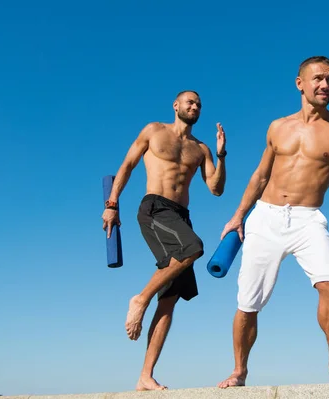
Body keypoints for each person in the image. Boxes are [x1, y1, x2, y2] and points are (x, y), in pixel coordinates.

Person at [217, 56, 329, 388]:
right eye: (318, 79)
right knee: (248, 301)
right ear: (300, 83)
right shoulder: (278, 127)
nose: (325, 85)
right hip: (265, 217)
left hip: (308, 219)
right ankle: (239, 370)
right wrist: (238, 216)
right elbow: (259, 176)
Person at [101, 90, 228, 391]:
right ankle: (140, 299)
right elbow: (128, 165)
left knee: (170, 300)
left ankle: (145, 376)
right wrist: (111, 204)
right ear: (176, 105)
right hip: (155, 208)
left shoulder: (201, 149)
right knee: (193, 248)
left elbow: (216, 188)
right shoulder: (154, 131)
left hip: (180, 217)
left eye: (198, 104)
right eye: (189, 102)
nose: (194, 106)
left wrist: (221, 156)